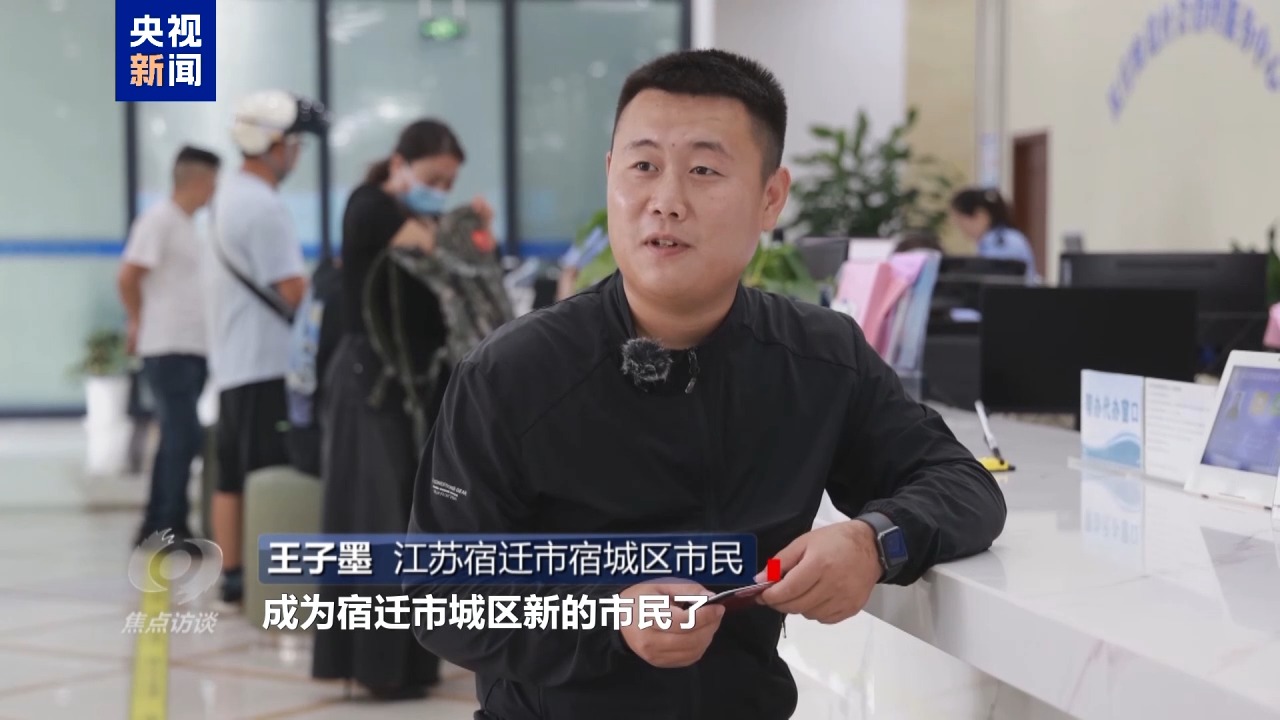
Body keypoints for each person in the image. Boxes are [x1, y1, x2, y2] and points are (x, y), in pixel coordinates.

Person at [406, 48, 1007, 720]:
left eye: (703, 170)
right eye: (642, 167)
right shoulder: (513, 374)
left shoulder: (818, 358)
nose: (665, 201)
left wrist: (875, 540)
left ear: (770, 197)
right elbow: (439, 597)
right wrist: (607, 615)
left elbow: (963, 485)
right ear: (610, 177)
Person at [310, 119, 492, 699]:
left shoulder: (420, 219)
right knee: (376, 520)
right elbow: (437, 251)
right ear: (399, 165)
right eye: (433, 179)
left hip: (416, 385)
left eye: (449, 184)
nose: (439, 191)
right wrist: (465, 227)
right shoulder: (370, 207)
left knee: (416, 521)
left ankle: (412, 663)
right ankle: (376, 667)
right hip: (370, 383)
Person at [206, 89, 327, 605]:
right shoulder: (263, 206)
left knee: (231, 475)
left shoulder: (226, 196)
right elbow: (294, 291)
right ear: (274, 145)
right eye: (295, 144)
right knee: (267, 474)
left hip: (234, 363)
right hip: (267, 364)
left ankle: (233, 576)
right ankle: (266, 584)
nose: (297, 155)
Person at [118, 145, 221, 545]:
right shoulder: (158, 221)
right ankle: (168, 527)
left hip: (190, 348)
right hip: (167, 347)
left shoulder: (186, 226)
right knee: (182, 437)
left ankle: (157, 524)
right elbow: (128, 276)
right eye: (214, 182)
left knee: (178, 439)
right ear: (200, 180)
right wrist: (138, 320)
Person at [949, 187, 1041, 283]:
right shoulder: (988, 241)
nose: (962, 230)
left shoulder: (1004, 241)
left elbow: (998, 279)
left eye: (960, 222)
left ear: (980, 216)